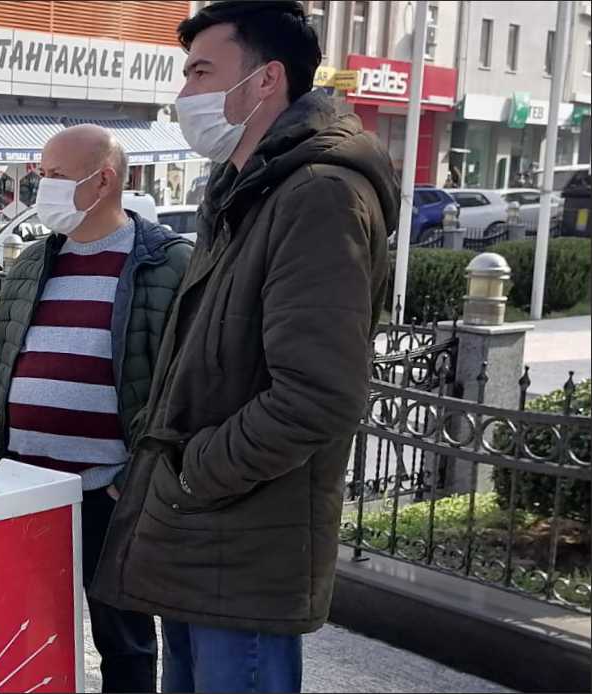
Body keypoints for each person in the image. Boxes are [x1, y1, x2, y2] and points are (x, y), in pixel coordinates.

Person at [90, 4, 397, 693]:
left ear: (266, 81)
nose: (185, 94)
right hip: (201, 536)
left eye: (202, 72)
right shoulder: (250, 189)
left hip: (244, 546)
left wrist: (193, 472)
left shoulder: (318, 196)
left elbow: (316, 396)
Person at [0, 125, 192, 693]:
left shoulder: (166, 265)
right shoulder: (37, 259)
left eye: (56, 176)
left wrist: (137, 477)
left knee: (125, 640)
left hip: (108, 493)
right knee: (22, 629)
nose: (41, 186)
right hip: (24, 488)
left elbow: (183, 388)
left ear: (104, 179)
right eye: (40, 173)